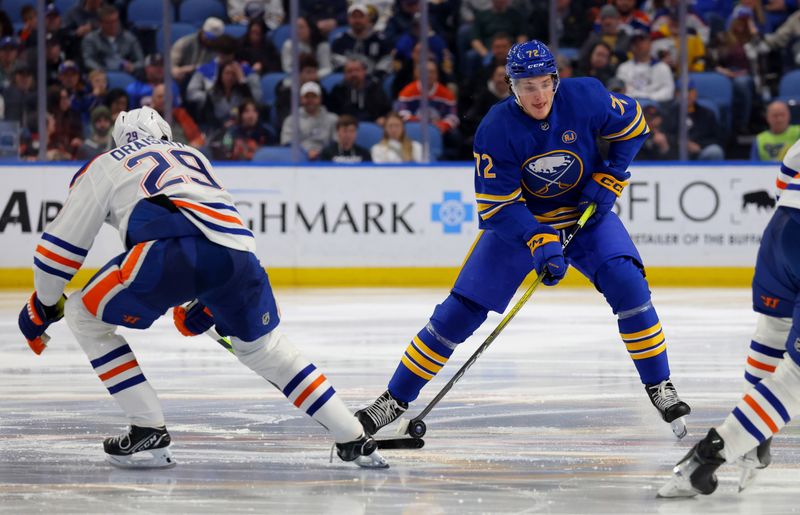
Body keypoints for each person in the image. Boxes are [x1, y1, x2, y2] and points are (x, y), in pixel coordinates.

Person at [17, 106, 386, 470]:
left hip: (168, 252)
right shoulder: (193, 156)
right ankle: (354, 437)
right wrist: (210, 299)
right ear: (165, 135)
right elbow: (220, 229)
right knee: (265, 349)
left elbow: (60, 249)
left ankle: (147, 427)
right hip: (237, 257)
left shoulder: (106, 163)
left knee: (84, 316)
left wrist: (44, 305)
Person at [356, 40, 691, 439]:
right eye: (526, 86)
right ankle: (394, 399)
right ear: (510, 87)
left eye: (544, 83)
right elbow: (499, 206)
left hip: (585, 217)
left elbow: (634, 124)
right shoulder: (495, 130)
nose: (538, 95)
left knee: (629, 284)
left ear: (556, 79)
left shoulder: (586, 95)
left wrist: (613, 173)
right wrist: (536, 236)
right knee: (458, 313)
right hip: (524, 225)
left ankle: (659, 385)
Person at [658, 137, 800, 498]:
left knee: (773, 332)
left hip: (783, 228)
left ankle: (756, 438)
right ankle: (703, 462)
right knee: (796, 378)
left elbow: (788, 171)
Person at [280, 81, 337, 160]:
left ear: (320, 98)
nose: (310, 100)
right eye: (307, 97)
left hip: (327, 159)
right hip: (299, 160)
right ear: (301, 99)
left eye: (314, 97)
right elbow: (287, 143)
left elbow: (336, 143)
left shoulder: (333, 119)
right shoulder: (291, 120)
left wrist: (322, 153)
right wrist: (306, 152)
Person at [80, 5, 144, 74]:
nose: (113, 25)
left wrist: (133, 66)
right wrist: (100, 70)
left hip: (126, 74)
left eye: (115, 21)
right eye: (109, 23)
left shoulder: (129, 37)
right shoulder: (90, 39)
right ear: (100, 23)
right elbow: (88, 60)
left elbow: (141, 61)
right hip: (101, 75)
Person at [614, 31, 675, 103]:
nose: (638, 45)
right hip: (630, 104)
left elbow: (668, 91)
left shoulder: (662, 67)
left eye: (642, 41)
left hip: (655, 105)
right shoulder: (623, 67)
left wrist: (649, 98)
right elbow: (620, 91)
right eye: (634, 43)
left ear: (650, 44)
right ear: (630, 47)